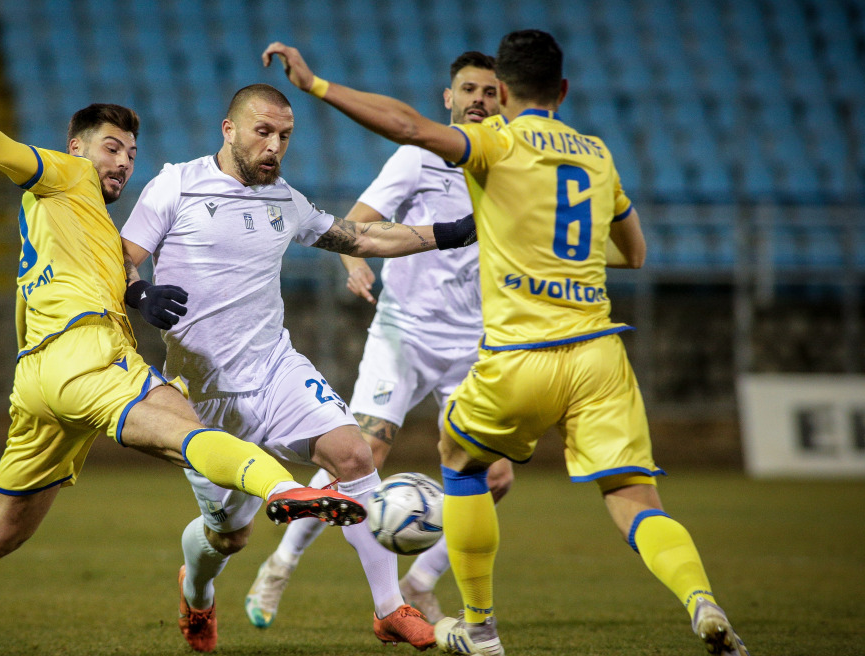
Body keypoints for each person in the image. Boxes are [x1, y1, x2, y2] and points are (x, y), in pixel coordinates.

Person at [0, 91, 368, 656]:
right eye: (111, 148)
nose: (122, 163)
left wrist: (140, 293)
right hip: (85, 356)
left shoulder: (81, 222)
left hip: (37, 376)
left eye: (131, 153)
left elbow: (96, 279)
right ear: (76, 146)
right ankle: (286, 489)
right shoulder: (65, 175)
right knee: (192, 431)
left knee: (2, 529)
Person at [262, 31, 749, 656]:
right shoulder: (597, 154)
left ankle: (481, 627)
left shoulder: (498, 139)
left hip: (516, 352)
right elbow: (635, 253)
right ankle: (701, 601)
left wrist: (318, 86)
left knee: (460, 462)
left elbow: (407, 125)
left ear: (506, 94)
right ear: (564, 90)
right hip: (599, 353)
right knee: (633, 496)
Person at [120, 83, 480, 652]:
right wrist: (140, 295)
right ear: (229, 129)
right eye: (263, 132)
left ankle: (390, 609)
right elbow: (120, 256)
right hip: (203, 395)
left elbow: (360, 237)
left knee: (354, 453)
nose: (274, 146)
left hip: (275, 370)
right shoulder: (176, 185)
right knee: (227, 538)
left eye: (284, 136)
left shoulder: (283, 200)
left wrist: (451, 233)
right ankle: (198, 591)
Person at [245, 51, 516, 628]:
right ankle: (281, 564)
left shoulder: (513, 165)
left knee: (494, 478)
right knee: (363, 454)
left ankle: (421, 578)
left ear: (505, 102)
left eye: (490, 92)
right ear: (448, 98)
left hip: (476, 343)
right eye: (467, 89)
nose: (478, 100)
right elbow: (361, 220)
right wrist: (355, 263)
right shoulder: (421, 156)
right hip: (407, 332)